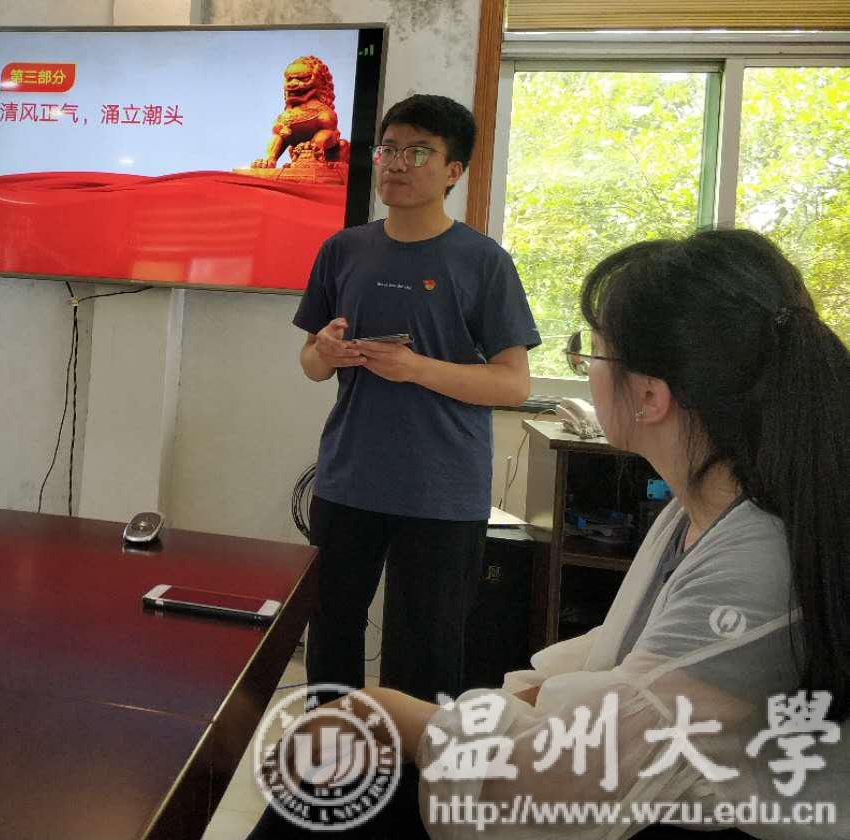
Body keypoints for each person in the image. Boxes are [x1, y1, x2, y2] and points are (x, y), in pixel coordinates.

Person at [251, 227, 850, 838]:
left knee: (348, 771)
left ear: (649, 396)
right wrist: (516, 697)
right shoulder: (696, 511)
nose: (584, 369)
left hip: (670, 810)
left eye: (591, 354)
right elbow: (618, 654)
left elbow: (577, 768)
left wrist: (387, 713)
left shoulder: (753, 561)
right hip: (353, 486)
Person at [292, 94, 540, 708]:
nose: (397, 163)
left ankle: (414, 763)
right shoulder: (343, 249)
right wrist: (326, 352)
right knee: (330, 631)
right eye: (389, 149)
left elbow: (513, 384)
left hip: (441, 490)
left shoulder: (483, 261)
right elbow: (311, 365)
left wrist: (414, 369)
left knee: (425, 650)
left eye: (419, 152)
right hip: (348, 479)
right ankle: (332, 747)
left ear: (454, 170)